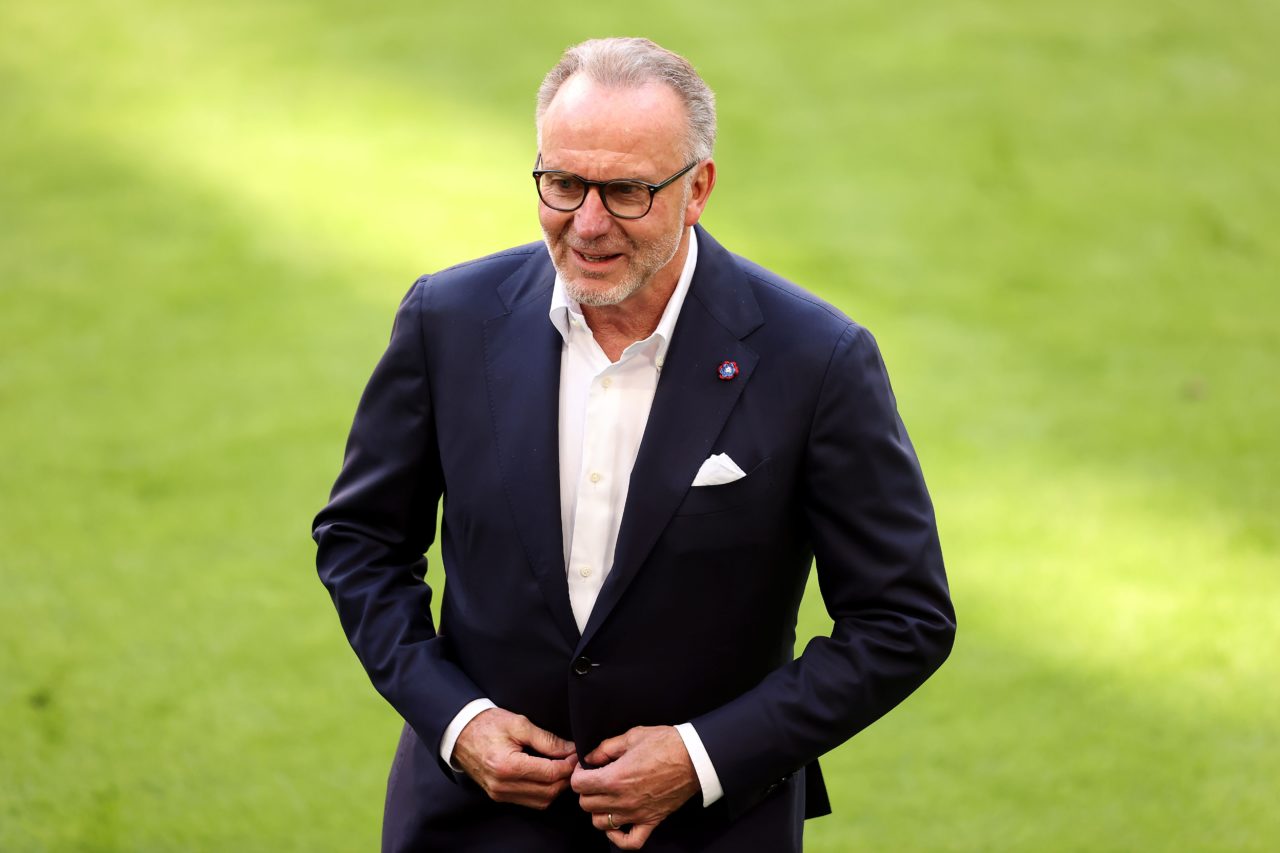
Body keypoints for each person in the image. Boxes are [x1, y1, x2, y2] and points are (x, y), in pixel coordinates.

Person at [313, 36, 955, 853]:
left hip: (708, 832)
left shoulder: (816, 359)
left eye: (624, 192)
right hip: (470, 826)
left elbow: (904, 618)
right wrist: (457, 720)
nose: (586, 223)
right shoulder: (447, 320)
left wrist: (701, 756)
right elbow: (362, 542)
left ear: (698, 189)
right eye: (563, 183)